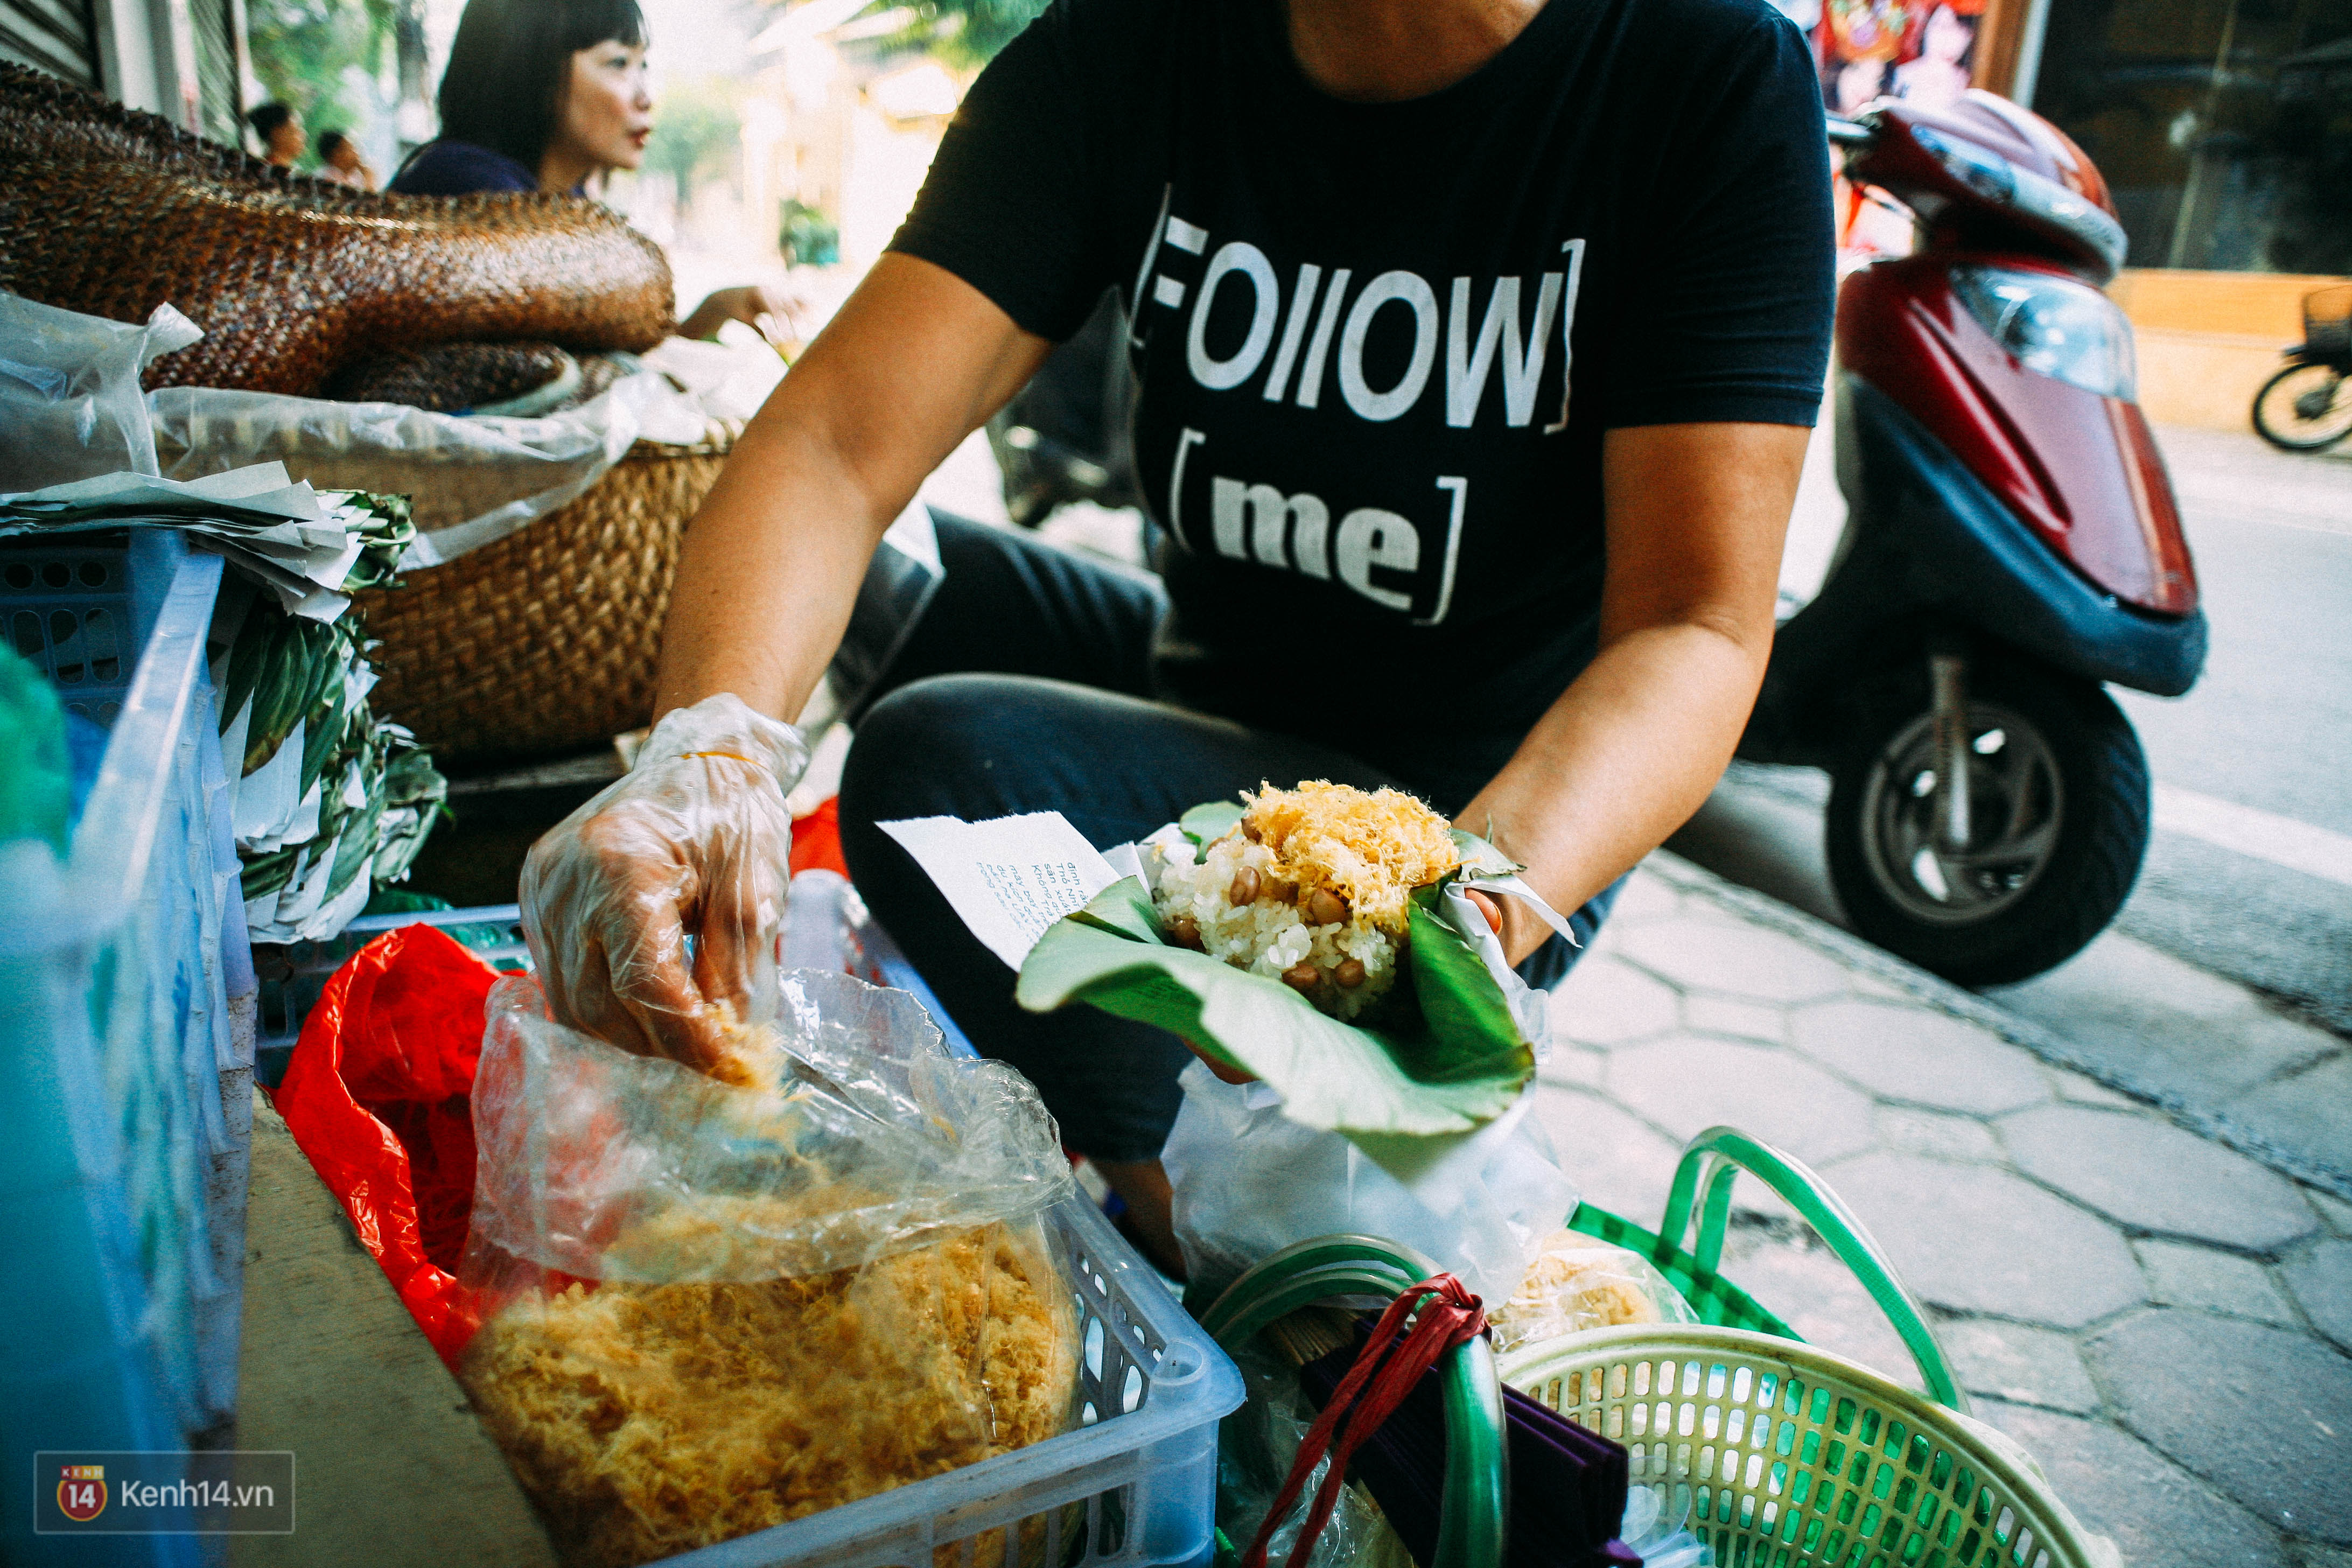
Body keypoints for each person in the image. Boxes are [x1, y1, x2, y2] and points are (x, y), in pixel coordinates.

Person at [523, 0, 1836, 1273]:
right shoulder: (1125, 51)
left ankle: (1215, 1247)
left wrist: (1459, 918)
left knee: (939, 759)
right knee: (887, 590)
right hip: (1210, 691)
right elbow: (828, 446)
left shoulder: (1703, 71)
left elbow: (1693, 629)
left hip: (1490, 810)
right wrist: (705, 761)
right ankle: (1169, 1141)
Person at [388, 0, 795, 342]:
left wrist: (716, 310)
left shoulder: (564, 203)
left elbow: (595, 361)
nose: (645, 97)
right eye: (619, 63)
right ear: (533, 68)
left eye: (644, 66)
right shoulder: (472, 190)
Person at [246, 101, 304, 169]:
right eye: (296, 130)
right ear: (277, 134)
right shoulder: (269, 172)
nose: (303, 134)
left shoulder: (280, 169)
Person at [314, 129, 378, 191]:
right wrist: (369, 180)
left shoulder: (357, 176)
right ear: (335, 155)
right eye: (350, 149)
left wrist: (368, 177)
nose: (356, 153)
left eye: (354, 148)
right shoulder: (323, 178)